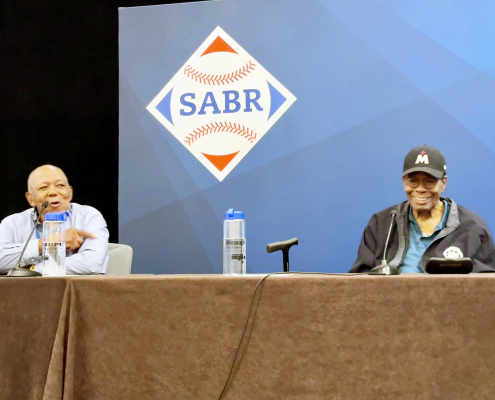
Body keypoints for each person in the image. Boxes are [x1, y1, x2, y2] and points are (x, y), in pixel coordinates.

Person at [350, 145, 495, 273]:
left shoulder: (472, 228)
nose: (420, 189)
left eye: (429, 181)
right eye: (412, 181)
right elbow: (360, 280)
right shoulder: (382, 224)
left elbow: (486, 286)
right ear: (403, 182)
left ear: (443, 183)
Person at [0, 165, 109, 275]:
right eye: (43, 187)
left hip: (74, 291)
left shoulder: (88, 217)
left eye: (60, 185)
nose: (53, 192)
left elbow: (92, 264)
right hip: (24, 291)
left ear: (70, 193)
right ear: (31, 199)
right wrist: (48, 242)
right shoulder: (12, 224)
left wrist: (32, 269)